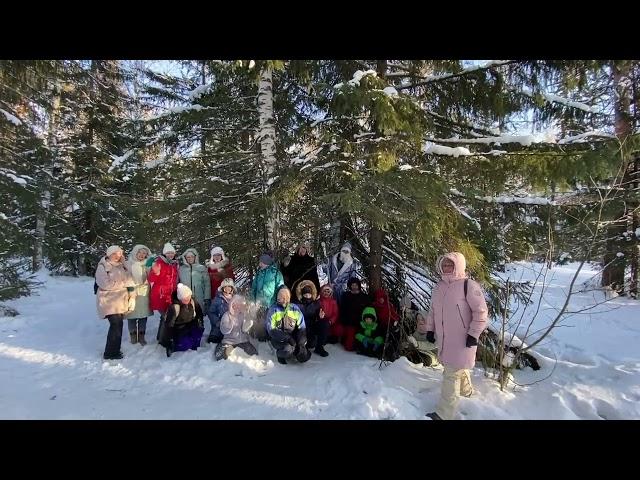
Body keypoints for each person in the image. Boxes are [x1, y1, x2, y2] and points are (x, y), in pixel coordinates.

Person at [425, 252, 488, 421]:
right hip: (444, 339)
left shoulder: (469, 285)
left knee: (451, 374)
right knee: (457, 367)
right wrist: (430, 329)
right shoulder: (439, 287)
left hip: (463, 339)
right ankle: (466, 391)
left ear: (458, 266)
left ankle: (444, 414)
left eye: (450, 265)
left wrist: (473, 334)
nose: (446, 268)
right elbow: (433, 311)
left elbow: (481, 312)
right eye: (444, 265)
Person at [95, 245, 135, 360]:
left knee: (118, 325)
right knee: (116, 325)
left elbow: (132, 277)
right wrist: (123, 284)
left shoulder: (122, 265)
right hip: (109, 301)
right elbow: (104, 284)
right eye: (114, 254)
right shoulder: (103, 266)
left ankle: (115, 350)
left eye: (119, 254)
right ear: (109, 254)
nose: (117, 256)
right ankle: (110, 353)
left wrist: (125, 262)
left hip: (120, 301)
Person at [265, 287, 310, 365]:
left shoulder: (294, 308)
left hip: (292, 335)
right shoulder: (273, 309)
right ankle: (280, 354)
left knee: (303, 354)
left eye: (283, 296)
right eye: (279, 296)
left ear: (288, 297)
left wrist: (300, 342)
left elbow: (302, 327)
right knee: (288, 349)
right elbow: (271, 330)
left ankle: (298, 352)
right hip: (278, 338)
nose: (280, 298)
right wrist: (287, 338)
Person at [160, 283, 205, 358]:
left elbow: (199, 314)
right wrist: (168, 341)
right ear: (180, 298)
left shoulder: (193, 302)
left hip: (191, 326)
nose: (187, 299)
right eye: (185, 298)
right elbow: (169, 325)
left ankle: (192, 344)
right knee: (186, 344)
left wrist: (200, 324)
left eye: (188, 296)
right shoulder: (175, 307)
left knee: (197, 338)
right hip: (179, 330)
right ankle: (176, 346)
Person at [147, 242, 179, 342]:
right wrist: (155, 272)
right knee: (167, 317)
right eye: (168, 253)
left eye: (172, 253)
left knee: (165, 317)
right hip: (160, 295)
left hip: (170, 295)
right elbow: (151, 279)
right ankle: (164, 339)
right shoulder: (159, 263)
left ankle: (160, 337)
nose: (170, 255)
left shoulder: (174, 264)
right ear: (165, 253)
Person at [250, 253, 284, 340]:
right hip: (260, 301)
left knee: (270, 319)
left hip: (271, 302)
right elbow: (254, 287)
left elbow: (280, 287)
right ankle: (262, 334)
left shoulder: (276, 273)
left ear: (266, 263)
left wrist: (279, 300)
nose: (259, 264)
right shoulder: (259, 273)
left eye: (261, 262)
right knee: (261, 319)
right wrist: (252, 300)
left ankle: (271, 335)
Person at [215, 295, 258, 361]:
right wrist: (230, 324)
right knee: (221, 354)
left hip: (242, 341)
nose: (237, 306)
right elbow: (223, 330)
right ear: (231, 305)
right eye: (234, 304)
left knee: (254, 353)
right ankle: (226, 350)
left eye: (239, 304)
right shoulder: (227, 315)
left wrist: (249, 322)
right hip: (229, 341)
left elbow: (244, 329)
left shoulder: (243, 314)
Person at [125, 244, 153, 346]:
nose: (142, 255)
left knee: (143, 315)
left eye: (144, 253)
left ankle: (141, 335)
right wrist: (131, 289)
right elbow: (126, 278)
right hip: (131, 291)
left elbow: (152, 277)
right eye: (140, 252)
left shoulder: (148, 264)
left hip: (145, 292)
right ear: (135, 252)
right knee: (131, 314)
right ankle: (133, 334)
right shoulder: (128, 264)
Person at [294, 280, 328, 357]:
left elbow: (319, 317)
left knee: (324, 324)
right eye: (305, 294)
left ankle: (319, 347)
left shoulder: (316, 304)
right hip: (301, 329)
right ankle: (301, 349)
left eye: (309, 294)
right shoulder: (297, 304)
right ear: (302, 294)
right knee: (307, 345)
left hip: (312, 327)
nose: (307, 296)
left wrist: (320, 317)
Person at [339, 277, 371, 351]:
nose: (354, 287)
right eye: (352, 285)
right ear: (350, 286)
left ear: (359, 285)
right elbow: (342, 309)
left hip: (362, 323)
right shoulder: (346, 296)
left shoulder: (364, 297)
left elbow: (369, 310)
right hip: (349, 323)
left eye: (356, 285)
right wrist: (344, 320)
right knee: (349, 347)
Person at [373, 287, 401, 361]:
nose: (381, 299)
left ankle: (394, 352)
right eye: (379, 298)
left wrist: (395, 321)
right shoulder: (375, 306)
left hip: (390, 324)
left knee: (395, 334)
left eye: (382, 298)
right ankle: (384, 353)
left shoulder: (388, 305)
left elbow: (394, 315)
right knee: (384, 336)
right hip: (380, 325)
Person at [179, 247, 211, 312]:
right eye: (188, 257)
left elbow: (207, 284)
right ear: (185, 258)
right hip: (186, 298)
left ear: (195, 257)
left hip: (199, 297)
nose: (190, 258)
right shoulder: (181, 269)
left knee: (199, 315)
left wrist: (207, 297)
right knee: (188, 316)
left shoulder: (201, 268)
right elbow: (178, 284)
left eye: (192, 256)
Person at [327, 241, 357, 306]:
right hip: (332, 288)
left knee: (342, 306)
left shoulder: (351, 264)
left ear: (349, 252)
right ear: (341, 250)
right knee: (332, 306)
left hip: (343, 290)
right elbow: (328, 271)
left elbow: (352, 278)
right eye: (344, 251)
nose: (345, 253)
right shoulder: (333, 259)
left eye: (347, 251)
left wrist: (347, 287)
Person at [207, 277, 236, 344]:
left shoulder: (235, 299)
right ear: (222, 289)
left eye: (229, 288)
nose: (227, 290)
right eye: (225, 288)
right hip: (218, 327)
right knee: (213, 341)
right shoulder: (217, 300)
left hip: (231, 327)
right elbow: (211, 312)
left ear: (232, 289)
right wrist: (217, 322)